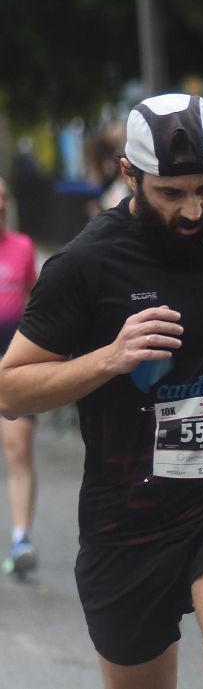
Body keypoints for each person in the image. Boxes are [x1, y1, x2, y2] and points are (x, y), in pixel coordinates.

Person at [0, 93, 203, 688]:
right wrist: (109, 359)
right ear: (129, 176)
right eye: (172, 194)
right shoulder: (86, 264)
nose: (193, 210)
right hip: (128, 520)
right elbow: (9, 389)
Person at [0, 176, 39, 578]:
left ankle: (21, 536)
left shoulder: (23, 247)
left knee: (18, 448)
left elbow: (37, 300)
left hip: (13, 361)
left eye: (3, 199)